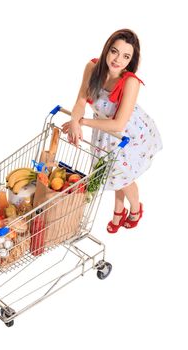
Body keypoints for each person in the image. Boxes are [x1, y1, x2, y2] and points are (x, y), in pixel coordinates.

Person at [62, 28, 162, 234]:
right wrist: (74, 120)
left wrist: (83, 123)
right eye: (114, 51)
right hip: (103, 130)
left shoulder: (131, 82)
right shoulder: (92, 68)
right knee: (112, 173)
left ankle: (135, 209)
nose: (118, 60)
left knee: (123, 177)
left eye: (126, 56)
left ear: (131, 60)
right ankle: (118, 209)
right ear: (107, 49)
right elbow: (81, 100)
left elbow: (118, 124)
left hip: (130, 133)